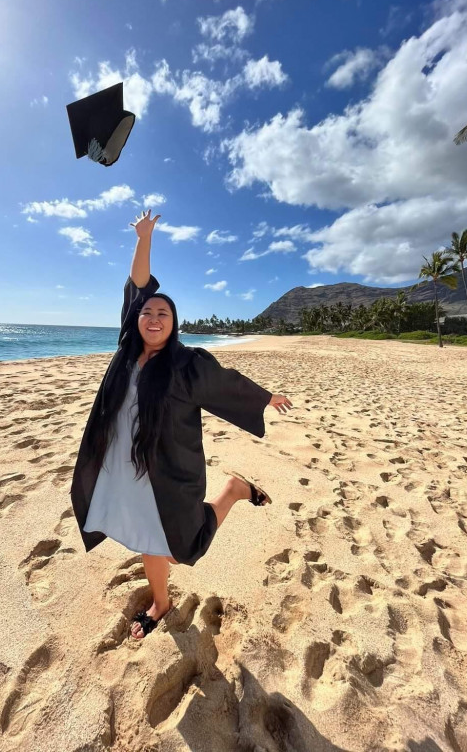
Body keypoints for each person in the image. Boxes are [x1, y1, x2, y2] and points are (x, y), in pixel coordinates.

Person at [69, 209, 293, 640]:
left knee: (182, 546)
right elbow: (138, 283)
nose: (153, 318)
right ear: (136, 318)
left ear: (173, 326)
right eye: (147, 312)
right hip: (125, 462)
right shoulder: (125, 347)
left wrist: (265, 397)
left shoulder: (186, 363)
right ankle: (161, 602)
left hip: (168, 465)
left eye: (163, 315)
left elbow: (225, 383)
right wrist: (143, 238)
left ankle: (233, 491)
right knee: (152, 540)